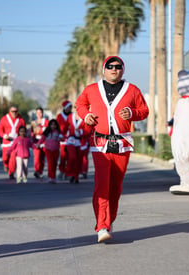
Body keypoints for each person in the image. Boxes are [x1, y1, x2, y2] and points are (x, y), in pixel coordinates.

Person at [75, 56, 149, 243]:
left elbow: (144, 110)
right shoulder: (92, 89)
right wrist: (86, 115)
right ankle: (102, 226)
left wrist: (132, 113)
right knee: (102, 185)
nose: (114, 69)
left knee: (115, 187)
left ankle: (109, 221)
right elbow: (80, 105)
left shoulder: (132, 90)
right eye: (110, 67)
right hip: (100, 143)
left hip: (122, 144)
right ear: (104, 70)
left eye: (118, 67)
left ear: (122, 70)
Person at [0, 106, 26, 179]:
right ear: (9, 112)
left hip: (16, 142)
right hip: (6, 142)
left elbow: (24, 130)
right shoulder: (4, 119)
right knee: (5, 158)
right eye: (13, 111)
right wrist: (4, 135)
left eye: (16, 111)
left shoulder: (20, 119)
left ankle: (11, 172)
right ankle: (6, 165)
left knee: (13, 157)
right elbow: (0, 129)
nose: (14, 113)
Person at [37, 119, 63, 184]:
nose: (53, 126)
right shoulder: (47, 132)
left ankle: (53, 177)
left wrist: (61, 138)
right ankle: (50, 177)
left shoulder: (58, 132)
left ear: (56, 126)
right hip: (48, 150)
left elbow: (63, 138)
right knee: (50, 163)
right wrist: (38, 144)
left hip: (56, 150)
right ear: (49, 125)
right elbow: (42, 139)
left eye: (54, 125)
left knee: (55, 164)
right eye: (52, 124)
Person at [30, 107, 49, 179]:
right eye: (37, 113)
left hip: (44, 141)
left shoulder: (46, 122)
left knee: (42, 158)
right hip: (36, 142)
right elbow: (31, 133)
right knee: (36, 158)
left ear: (42, 113)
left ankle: (40, 172)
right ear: (36, 114)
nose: (39, 114)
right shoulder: (34, 122)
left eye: (40, 113)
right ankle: (37, 171)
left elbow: (48, 131)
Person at [56, 100, 72, 179]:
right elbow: (57, 126)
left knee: (70, 156)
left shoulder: (72, 115)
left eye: (71, 107)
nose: (70, 108)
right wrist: (59, 135)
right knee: (63, 156)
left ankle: (68, 172)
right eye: (69, 107)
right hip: (62, 138)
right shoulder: (60, 116)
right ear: (65, 108)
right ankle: (62, 170)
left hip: (71, 138)